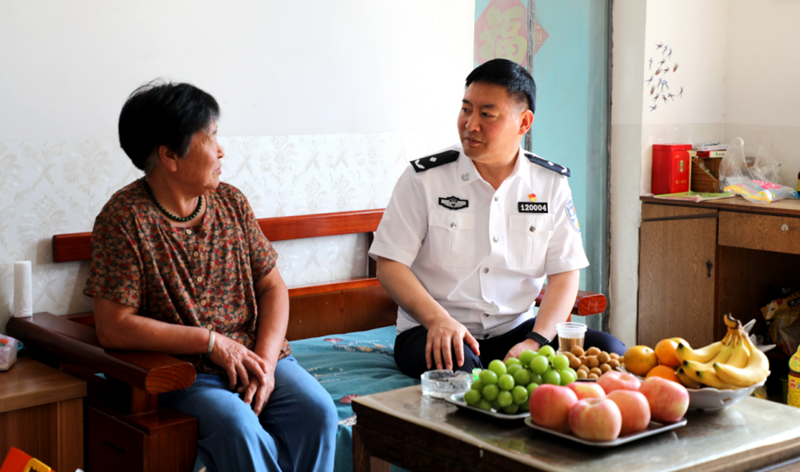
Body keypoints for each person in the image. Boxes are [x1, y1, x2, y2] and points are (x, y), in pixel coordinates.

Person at [83, 80, 337, 472]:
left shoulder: (231, 202)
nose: (221, 150)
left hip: (254, 356)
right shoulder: (124, 219)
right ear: (170, 156)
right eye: (211, 136)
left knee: (318, 412)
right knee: (240, 428)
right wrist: (211, 343)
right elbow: (114, 327)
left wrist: (266, 365)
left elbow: (272, 286)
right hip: (186, 372)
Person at [369, 59, 625, 379]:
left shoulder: (550, 184)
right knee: (461, 373)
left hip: (516, 330)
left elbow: (564, 272)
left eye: (486, 114)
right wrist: (437, 319)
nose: (470, 124)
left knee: (610, 350)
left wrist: (536, 340)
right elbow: (390, 265)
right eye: (466, 109)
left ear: (524, 122)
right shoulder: (425, 178)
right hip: (434, 328)